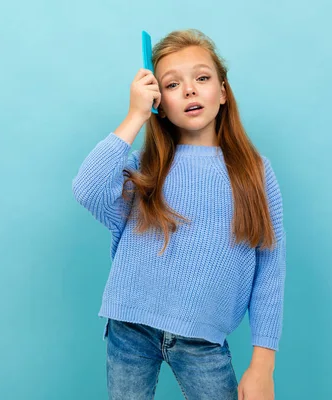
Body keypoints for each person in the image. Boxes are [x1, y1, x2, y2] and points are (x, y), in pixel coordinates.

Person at [72, 28, 286, 400]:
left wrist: (263, 365)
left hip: (204, 339)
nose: (189, 90)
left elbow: (270, 269)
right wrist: (134, 117)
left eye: (202, 78)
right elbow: (87, 188)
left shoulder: (255, 172)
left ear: (222, 91)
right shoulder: (143, 169)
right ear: (159, 102)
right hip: (130, 328)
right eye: (172, 85)